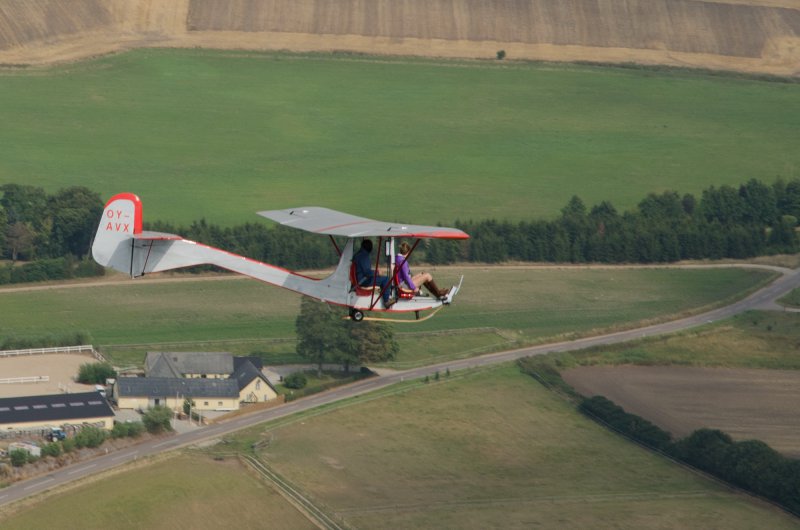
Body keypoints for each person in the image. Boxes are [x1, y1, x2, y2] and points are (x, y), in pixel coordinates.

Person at [353, 239, 394, 308]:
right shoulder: (364, 256)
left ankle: (384, 294)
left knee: (382, 278)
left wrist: (375, 272)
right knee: (386, 279)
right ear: (369, 247)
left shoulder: (357, 255)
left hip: (360, 279)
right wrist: (377, 272)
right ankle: (386, 301)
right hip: (363, 281)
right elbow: (367, 273)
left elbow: (364, 270)